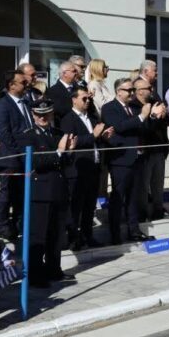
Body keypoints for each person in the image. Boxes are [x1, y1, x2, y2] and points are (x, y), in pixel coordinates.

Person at [21, 100, 74, 286]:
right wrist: (59, 152)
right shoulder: (28, 136)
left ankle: (54, 270)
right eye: (39, 114)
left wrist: (68, 152)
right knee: (38, 235)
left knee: (56, 235)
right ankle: (35, 276)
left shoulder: (58, 134)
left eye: (46, 114)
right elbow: (36, 163)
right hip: (40, 191)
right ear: (33, 115)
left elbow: (64, 164)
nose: (42, 118)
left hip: (58, 189)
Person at [100, 77, 153, 244]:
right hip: (121, 160)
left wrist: (153, 117)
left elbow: (143, 129)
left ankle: (134, 230)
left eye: (132, 90)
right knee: (118, 198)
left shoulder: (133, 108)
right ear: (118, 91)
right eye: (128, 90)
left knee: (133, 197)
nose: (132, 93)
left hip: (137, 158)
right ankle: (115, 234)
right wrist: (141, 117)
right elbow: (119, 127)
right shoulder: (110, 108)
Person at [61, 84, 108, 249]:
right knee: (76, 206)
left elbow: (95, 139)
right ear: (74, 100)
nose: (88, 101)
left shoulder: (93, 118)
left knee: (89, 206)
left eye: (89, 98)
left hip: (93, 167)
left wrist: (103, 136)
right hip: (78, 169)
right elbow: (74, 142)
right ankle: (74, 238)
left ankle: (88, 236)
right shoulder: (68, 119)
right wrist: (93, 135)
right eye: (84, 98)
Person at [0, 70, 35, 240]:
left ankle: (19, 225)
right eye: (23, 82)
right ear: (11, 85)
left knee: (21, 195)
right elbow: (4, 134)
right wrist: (19, 155)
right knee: (6, 193)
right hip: (10, 158)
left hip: (27, 157)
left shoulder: (26, 103)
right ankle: (1, 224)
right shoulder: (2, 104)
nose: (27, 84)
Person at [133, 75, 169, 222]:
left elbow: (168, 122)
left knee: (158, 183)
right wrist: (153, 116)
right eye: (148, 88)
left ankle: (158, 209)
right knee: (143, 185)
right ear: (139, 91)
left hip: (159, 148)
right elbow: (142, 128)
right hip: (145, 150)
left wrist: (163, 114)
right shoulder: (134, 106)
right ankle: (142, 213)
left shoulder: (155, 102)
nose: (152, 90)